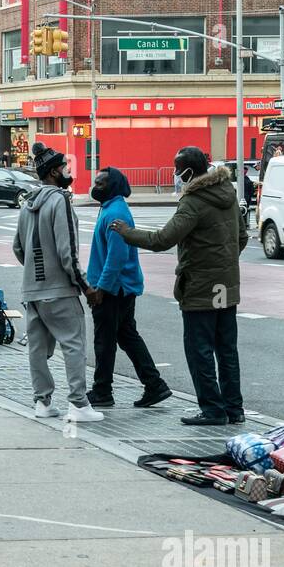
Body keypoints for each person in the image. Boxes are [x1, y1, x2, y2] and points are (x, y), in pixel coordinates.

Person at [112, 145, 248, 426]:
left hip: (199, 286)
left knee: (199, 350)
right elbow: (242, 237)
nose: (175, 174)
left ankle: (212, 409)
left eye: (177, 169)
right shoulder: (228, 194)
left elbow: (163, 239)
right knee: (226, 349)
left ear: (188, 171)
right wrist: (223, 262)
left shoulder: (194, 201)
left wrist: (127, 233)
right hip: (227, 284)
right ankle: (234, 409)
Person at [13, 143, 102, 423]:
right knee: (73, 344)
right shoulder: (59, 200)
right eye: (63, 167)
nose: (66, 171)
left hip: (33, 290)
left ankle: (42, 401)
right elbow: (68, 252)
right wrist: (85, 286)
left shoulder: (28, 203)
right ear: (53, 172)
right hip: (59, 289)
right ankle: (78, 404)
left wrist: (35, 271)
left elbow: (18, 248)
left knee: (37, 349)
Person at [85, 168, 171, 410]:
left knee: (105, 340)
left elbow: (116, 258)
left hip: (115, 289)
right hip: (120, 287)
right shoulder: (111, 208)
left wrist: (101, 288)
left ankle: (102, 390)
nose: (95, 186)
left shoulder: (116, 213)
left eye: (100, 183)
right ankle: (154, 384)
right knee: (127, 336)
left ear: (112, 186)